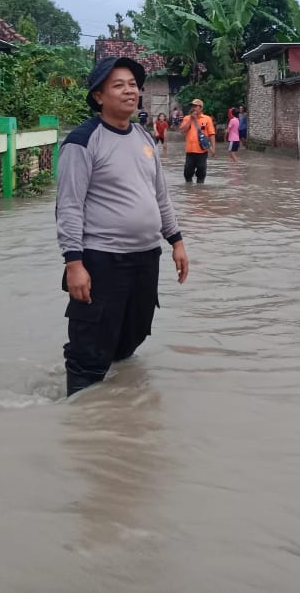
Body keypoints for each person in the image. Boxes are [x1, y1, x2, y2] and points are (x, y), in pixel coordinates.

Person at [56, 56, 189, 396]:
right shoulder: (83, 141)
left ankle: (119, 409)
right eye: (119, 85)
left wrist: (176, 241)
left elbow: (159, 195)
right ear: (98, 96)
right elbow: (69, 206)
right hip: (102, 259)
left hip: (146, 257)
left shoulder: (144, 137)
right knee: (90, 348)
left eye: (133, 84)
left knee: (133, 334)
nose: (130, 91)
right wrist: (74, 264)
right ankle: (79, 413)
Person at [179, 98, 216, 183]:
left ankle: (200, 189)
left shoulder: (207, 119)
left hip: (202, 151)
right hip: (190, 150)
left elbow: (212, 134)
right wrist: (191, 119)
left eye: (195, 106)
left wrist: (213, 148)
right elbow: (182, 130)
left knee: (201, 173)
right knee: (187, 173)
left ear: (201, 107)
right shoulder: (187, 118)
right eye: (192, 106)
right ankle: (189, 189)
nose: (193, 108)